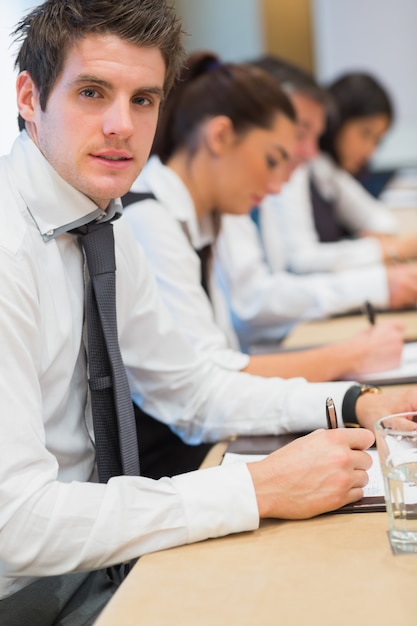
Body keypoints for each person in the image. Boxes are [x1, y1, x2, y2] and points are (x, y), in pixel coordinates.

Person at [2, 2, 417, 624]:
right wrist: (256, 488)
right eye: (93, 92)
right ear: (29, 97)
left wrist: (349, 400)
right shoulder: (12, 245)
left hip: (98, 559)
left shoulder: (100, 222)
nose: (122, 124)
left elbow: (190, 388)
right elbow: (18, 525)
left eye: (143, 99)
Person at [124, 51, 403, 387]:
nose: (277, 185)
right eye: (273, 159)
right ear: (220, 136)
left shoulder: (213, 206)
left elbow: (220, 363)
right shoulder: (150, 219)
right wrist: (349, 366)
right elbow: (212, 377)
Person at [210, 55, 417, 349]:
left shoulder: (274, 179)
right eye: (299, 132)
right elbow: (255, 301)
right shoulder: (159, 209)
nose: (308, 152)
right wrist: (378, 276)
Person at [266, 68, 417, 275]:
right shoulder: (294, 170)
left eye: (377, 141)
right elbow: (300, 262)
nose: (370, 151)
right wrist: (385, 250)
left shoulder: (324, 169)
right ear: (338, 122)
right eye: (365, 134)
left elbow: (381, 219)